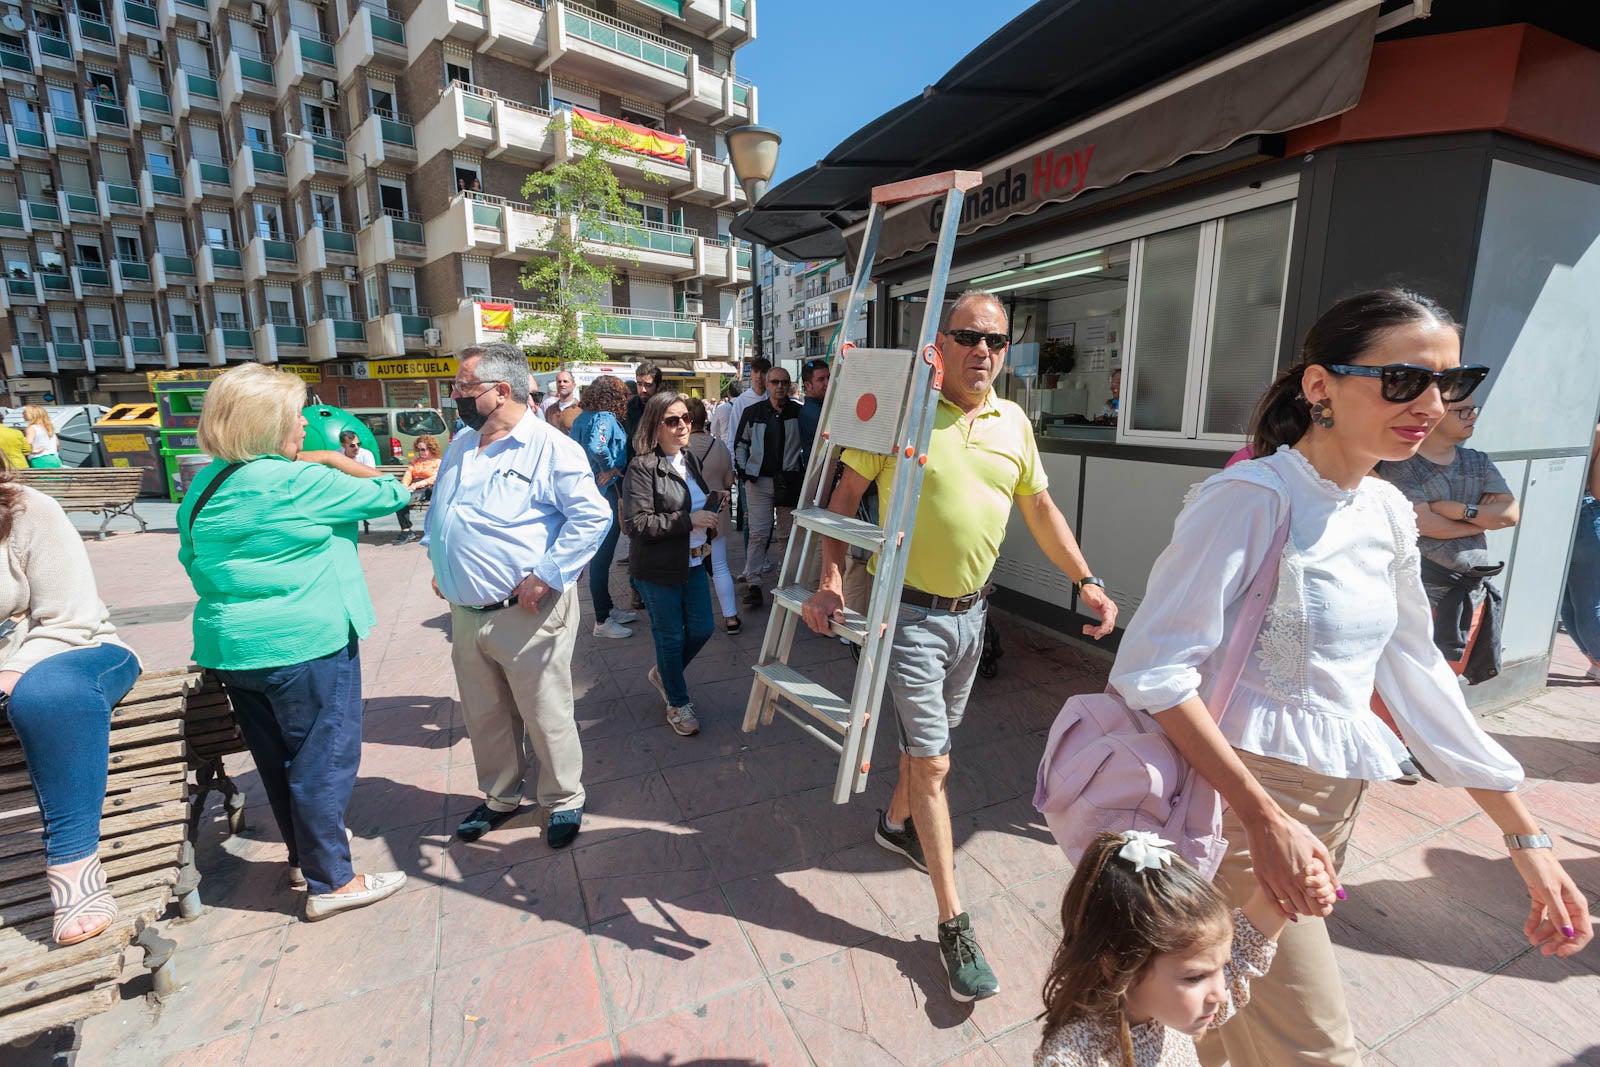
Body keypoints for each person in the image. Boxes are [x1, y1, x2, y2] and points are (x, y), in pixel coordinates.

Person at [1107, 289, 1591, 1067]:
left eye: (1451, 383)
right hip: (1237, 813)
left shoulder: (1388, 511)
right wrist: (1264, 818)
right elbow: (1154, 671)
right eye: (1404, 380)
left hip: (1326, 811)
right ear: (1320, 385)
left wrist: (1523, 834)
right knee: (1317, 1051)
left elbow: (1418, 673)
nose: (1432, 404)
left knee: (1228, 1024)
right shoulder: (1252, 499)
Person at [802, 290, 1117, 1001]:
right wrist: (828, 581)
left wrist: (1086, 581)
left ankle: (892, 824)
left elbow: (1039, 507)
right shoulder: (902, 418)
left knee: (928, 751)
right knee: (936, 762)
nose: (984, 350)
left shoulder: (1013, 422)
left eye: (997, 341)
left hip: (973, 620)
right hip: (906, 617)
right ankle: (953, 923)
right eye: (968, 336)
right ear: (939, 345)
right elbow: (843, 500)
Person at [178, 364, 411, 921]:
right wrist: (334, 458)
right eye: (294, 419)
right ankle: (333, 880)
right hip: (307, 641)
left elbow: (191, 558)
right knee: (323, 761)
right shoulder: (299, 481)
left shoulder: (205, 484)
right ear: (265, 425)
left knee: (277, 759)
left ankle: (304, 860)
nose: (305, 430)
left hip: (233, 648)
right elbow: (389, 490)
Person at [427, 343, 610, 848]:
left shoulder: (552, 448)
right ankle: (501, 796)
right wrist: (438, 560)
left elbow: (593, 517)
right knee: (484, 713)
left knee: (544, 710)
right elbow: (444, 510)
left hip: (527, 610)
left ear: (501, 391)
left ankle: (563, 798)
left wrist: (549, 574)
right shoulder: (462, 445)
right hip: (466, 613)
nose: (455, 395)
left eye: (464, 387)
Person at [1035, 831, 1335, 1067]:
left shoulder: (1162, 1009)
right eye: (1195, 978)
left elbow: (1243, 951)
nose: (1220, 992)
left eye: (1221, 967)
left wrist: (1293, 889)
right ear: (1119, 967)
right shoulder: (1072, 1058)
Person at [1, 472, 140, 944]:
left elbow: (70, 618)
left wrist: (8, 674)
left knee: (48, 694)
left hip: (69, 650)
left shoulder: (25, 510)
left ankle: (74, 861)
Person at [1376, 397, 1517, 680]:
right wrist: (1480, 522)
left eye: (1473, 410)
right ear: (1434, 415)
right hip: (1418, 598)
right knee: (1407, 685)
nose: (1472, 417)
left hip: (1471, 597)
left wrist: (1460, 511)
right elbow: (1424, 523)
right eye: (1463, 411)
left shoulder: (1478, 461)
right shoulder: (1402, 465)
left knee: (1448, 682)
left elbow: (1509, 514)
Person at [623, 391, 719, 737]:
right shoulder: (642, 466)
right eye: (672, 421)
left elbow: (694, 503)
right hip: (658, 566)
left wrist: (710, 515)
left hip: (692, 561)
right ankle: (677, 703)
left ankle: (665, 674)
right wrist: (689, 521)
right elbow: (634, 524)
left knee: (702, 628)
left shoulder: (688, 458)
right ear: (655, 425)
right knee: (669, 637)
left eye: (686, 418)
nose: (682, 426)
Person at [570, 375, 637, 639]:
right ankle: (602, 618)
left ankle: (606, 608)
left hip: (589, 490)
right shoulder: (604, 418)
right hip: (603, 493)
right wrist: (609, 467)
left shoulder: (583, 417)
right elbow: (597, 446)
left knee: (602, 556)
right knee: (601, 557)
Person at [734, 366, 804, 610]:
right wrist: (745, 472)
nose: (780, 386)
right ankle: (754, 583)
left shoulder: (798, 412)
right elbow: (740, 444)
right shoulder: (754, 412)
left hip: (789, 482)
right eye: (775, 382)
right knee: (758, 534)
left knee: (786, 535)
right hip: (759, 481)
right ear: (767, 383)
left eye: (784, 382)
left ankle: (784, 584)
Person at [686, 396, 740, 634]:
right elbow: (729, 481)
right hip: (717, 512)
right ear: (705, 418)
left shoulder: (679, 448)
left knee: (687, 568)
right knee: (720, 566)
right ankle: (731, 618)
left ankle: (690, 621)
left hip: (688, 516)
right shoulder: (719, 446)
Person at [1561, 423, 1600, 681]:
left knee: (1567, 602)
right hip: (1587, 515)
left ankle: (1594, 663)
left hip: (1557, 507)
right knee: (1590, 602)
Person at [729, 359, 771, 538]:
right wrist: (735, 466)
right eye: (756, 371)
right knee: (749, 516)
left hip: (770, 467)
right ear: (751, 373)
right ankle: (750, 559)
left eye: (763, 372)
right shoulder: (742, 401)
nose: (760, 376)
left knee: (767, 517)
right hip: (748, 467)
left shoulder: (772, 397)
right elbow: (733, 436)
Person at [393, 433, 442, 546]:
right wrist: (404, 486)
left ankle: (408, 531)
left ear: (431, 449)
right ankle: (406, 530)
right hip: (412, 487)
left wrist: (415, 486)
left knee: (405, 500)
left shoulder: (438, 463)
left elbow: (433, 479)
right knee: (401, 499)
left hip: (427, 488)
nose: (421, 452)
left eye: (423, 449)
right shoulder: (415, 461)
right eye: (419, 450)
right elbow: (408, 473)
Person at [797, 358, 830, 469]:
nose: (828, 383)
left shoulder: (823, 407)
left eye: (828, 377)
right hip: (820, 475)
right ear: (808, 385)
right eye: (821, 380)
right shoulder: (812, 412)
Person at [541, 370, 581, 435]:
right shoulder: (550, 410)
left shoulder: (581, 409)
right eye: (559, 382)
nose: (562, 384)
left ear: (573, 385)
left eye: (565, 381)